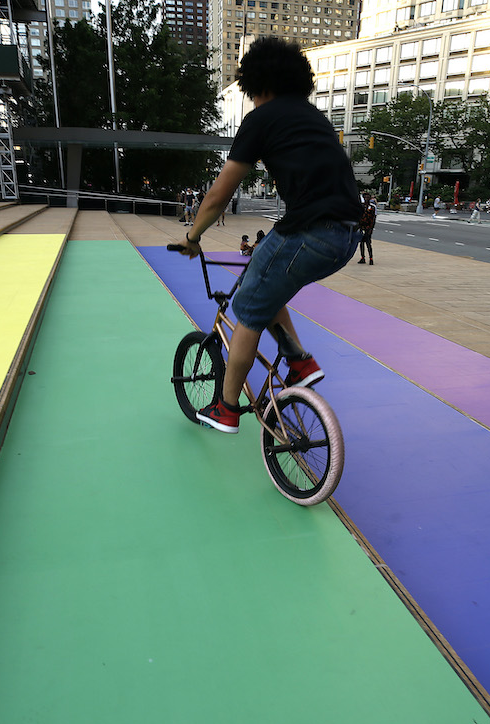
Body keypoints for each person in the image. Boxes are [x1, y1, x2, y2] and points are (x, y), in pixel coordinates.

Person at [172, 37, 362, 434]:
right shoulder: (313, 117)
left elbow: (219, 193)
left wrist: (193, 236)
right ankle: (299, 362)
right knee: (267, 277)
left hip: (311, 231)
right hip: (347, 236)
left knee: (247, 312)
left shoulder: (261, 119)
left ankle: (225, 407)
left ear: (258, 84)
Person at [357, 192, 376, 264]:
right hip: (362, 227)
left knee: (368, 243)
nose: (366, 199)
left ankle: (371, 258)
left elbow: (373, 219)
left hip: (368, 227)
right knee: (361, 243)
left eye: (368, 197)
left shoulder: (372, 207)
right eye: (365, 197)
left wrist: (371, 229)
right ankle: (362, 257)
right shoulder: (361, 207)